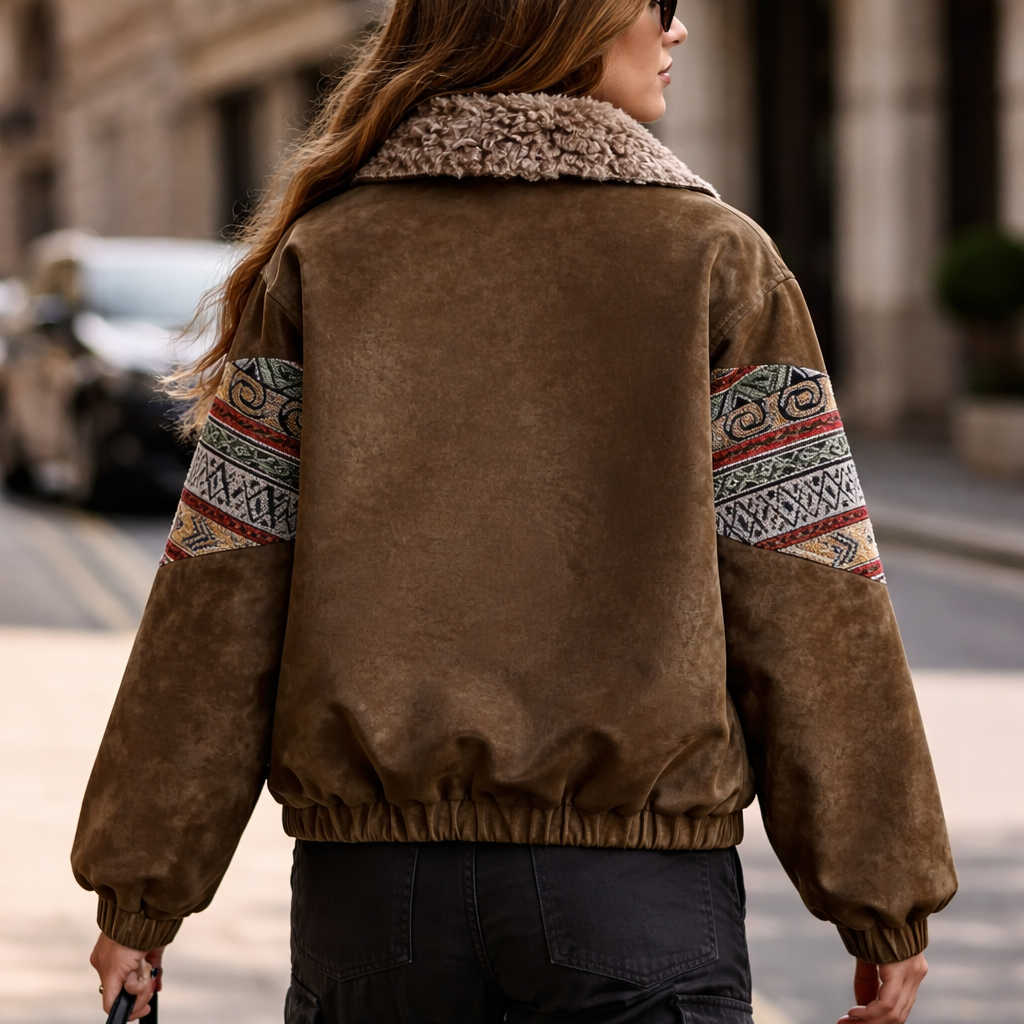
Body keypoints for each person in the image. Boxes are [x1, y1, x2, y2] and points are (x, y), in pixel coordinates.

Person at [73, 1, 958, 1022]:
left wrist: (142, 894)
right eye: (656, 5)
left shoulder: (324, 257)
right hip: (636, 912)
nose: (678, 30)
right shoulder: (717, 260)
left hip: (376, 914)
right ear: (558, 17)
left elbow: (221, 587)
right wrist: (880, 897)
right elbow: (810, 591)